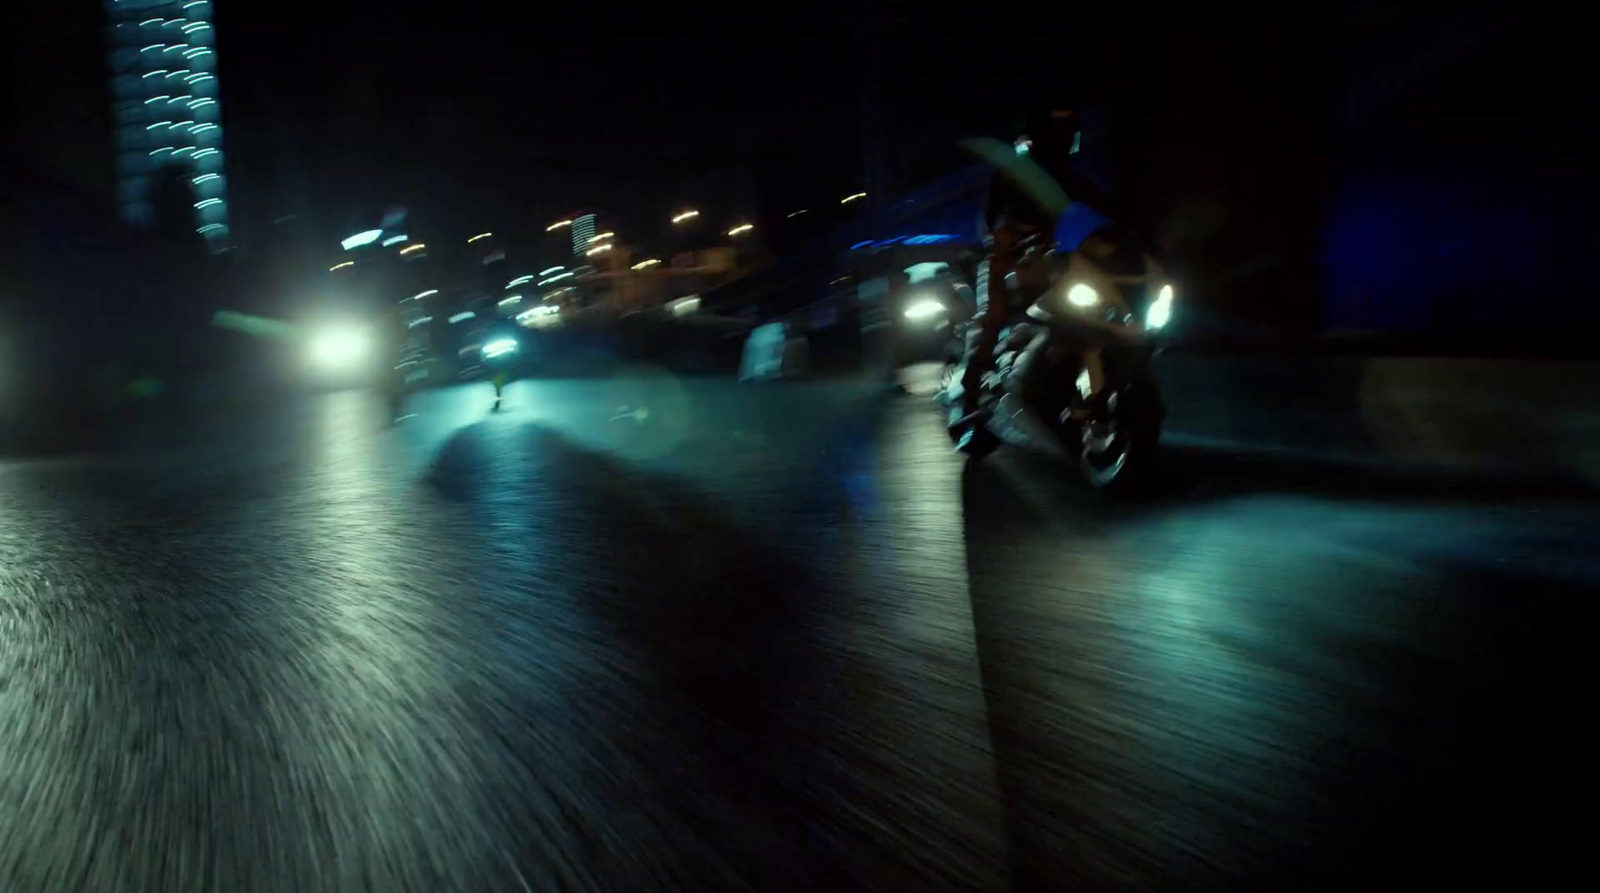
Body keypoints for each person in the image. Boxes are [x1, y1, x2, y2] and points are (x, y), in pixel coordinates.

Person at [952, 102, 1119, 436]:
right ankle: (969, 393)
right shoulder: (1013, 174)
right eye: (1055, 131)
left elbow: (1105, 214)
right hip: (1015, 257)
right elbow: (994, 221)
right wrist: (1012, 236)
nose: (1062, 137)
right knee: (994, 315)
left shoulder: (1075, 178)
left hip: (1058, 259)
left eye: (1067, 131)